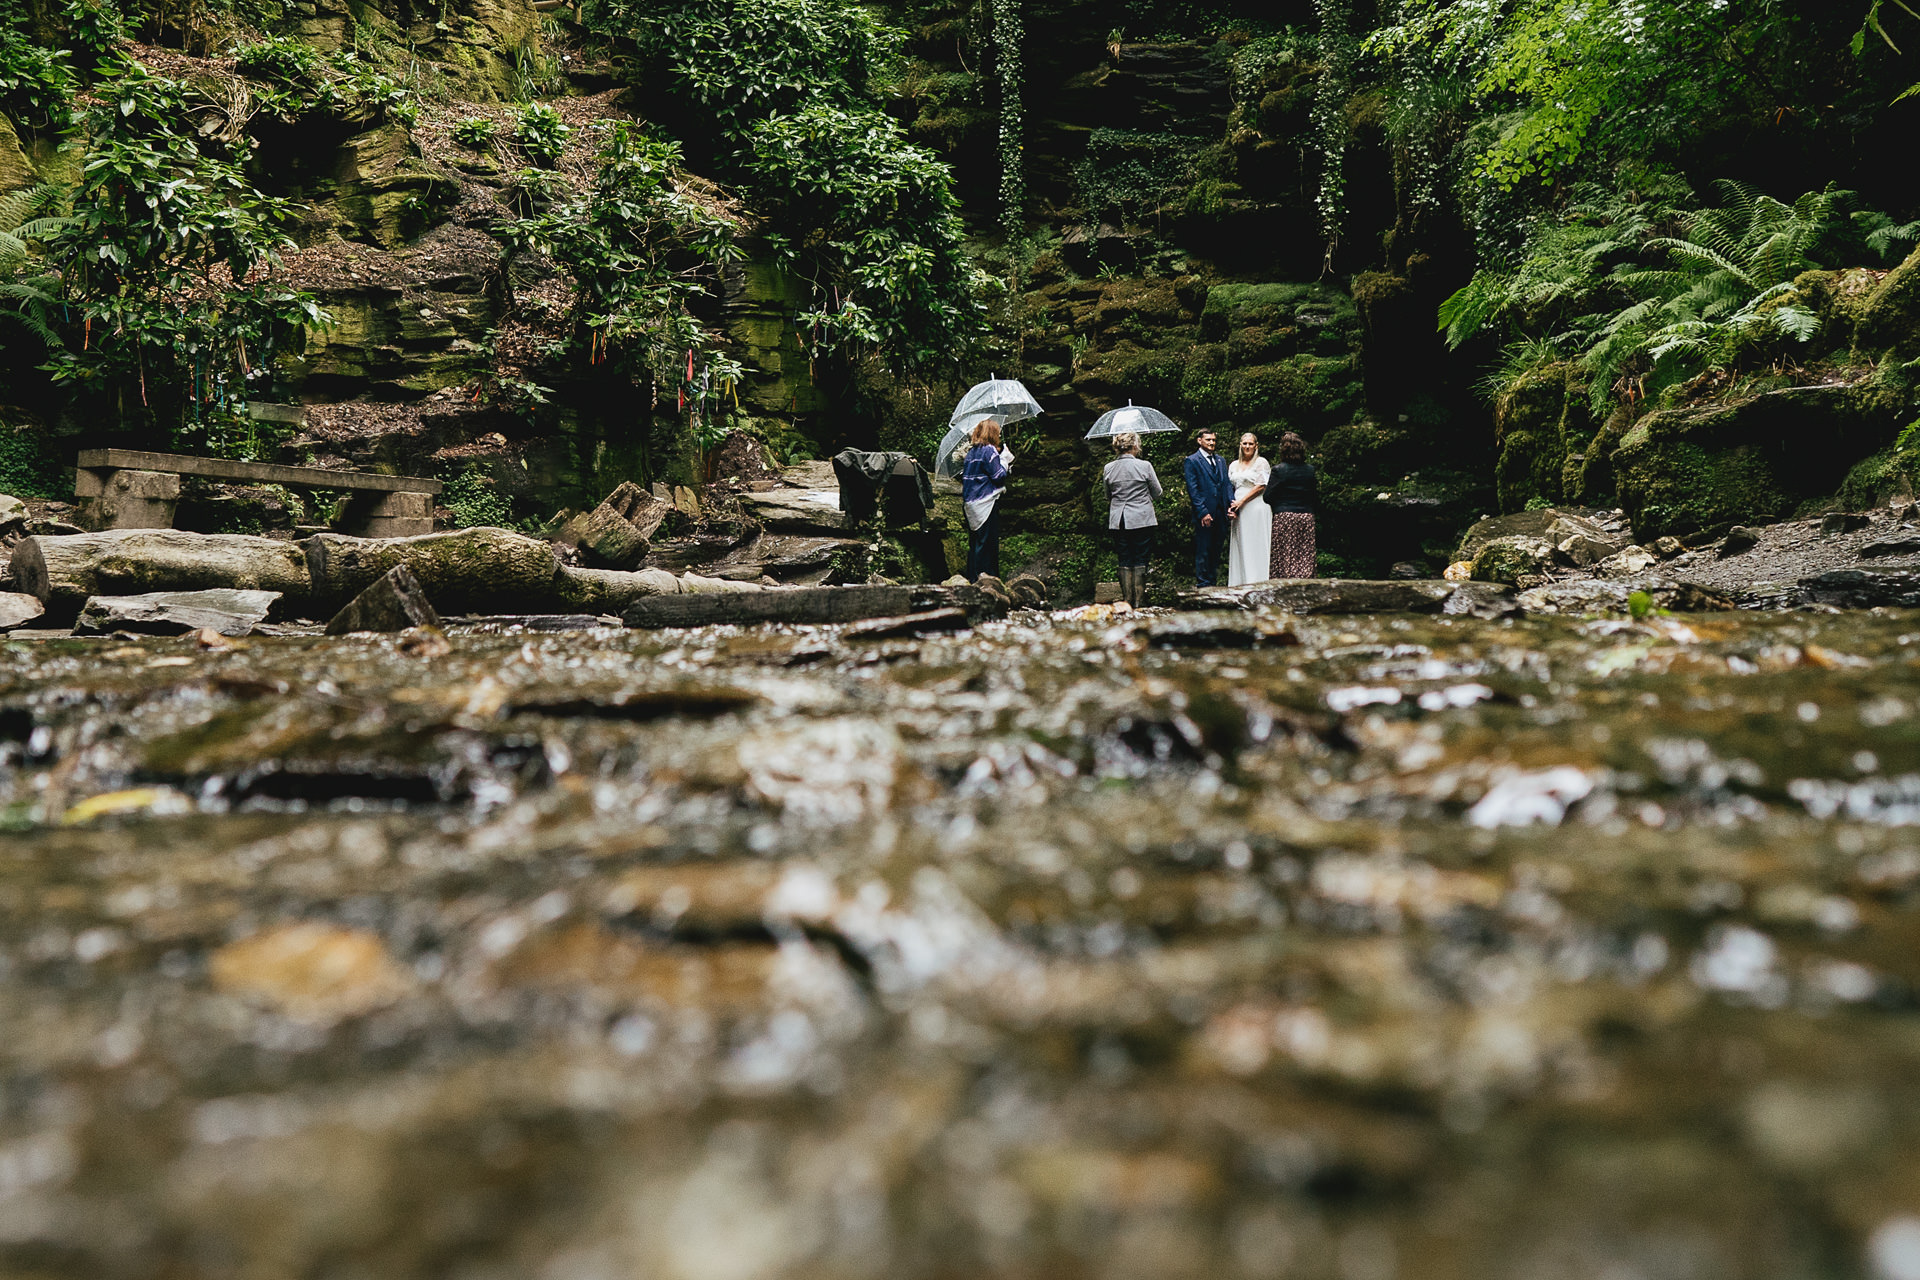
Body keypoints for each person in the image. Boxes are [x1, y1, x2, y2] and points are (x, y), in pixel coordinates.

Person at [1102, 431, 1163, 607]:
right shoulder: (1145, 466)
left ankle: (1127, 600)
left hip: (1119, 520)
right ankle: (1139, 601)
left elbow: (1108, 495)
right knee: (1141, 558)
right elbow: (1158, 492)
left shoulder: (1108, 468)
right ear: (1135, 445)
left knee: (1124, 558)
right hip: (1142, 518)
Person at [961, 417, 1011, 580]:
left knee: (975, 543)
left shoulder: (971, 453)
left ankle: (973, 578)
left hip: (971, 503)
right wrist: (1004, 459)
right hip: (985, 502)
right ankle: (987, 579)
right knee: (987, 544)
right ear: (992, 433)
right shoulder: (988, 450)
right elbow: (998, 476)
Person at [1183, 426, 1233, 587]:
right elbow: (1193, 489)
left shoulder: (1220, 460)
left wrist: (1231, 506)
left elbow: (1226, 485)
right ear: (1200, 441)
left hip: (1221, 512)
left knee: (1216, 550)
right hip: (1205, 513)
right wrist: (1203, 512)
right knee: (1203, 549)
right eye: (1208, 440)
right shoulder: (1192, 461)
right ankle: (1203, 584)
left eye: (1213, 440)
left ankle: (1213, 582)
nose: (1212, 443)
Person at [1267, 431, 1318, 578]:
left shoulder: (1279, 470)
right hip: (1306, 516)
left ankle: (1283, 584)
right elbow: (1314, 496)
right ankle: (1306, 585)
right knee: (1305, 555)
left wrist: (1280, 504)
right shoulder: (1310, 470)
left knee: (1284, 555)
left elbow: (1267, 496)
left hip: (1285, 516)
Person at [1226, 432, 1271, 586]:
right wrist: (1231, 507)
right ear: (1240, 445)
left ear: (1256, 446)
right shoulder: (1233, 465)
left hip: (1256, 507)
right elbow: (1229, 487)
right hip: (1238, 510)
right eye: (1244, 443)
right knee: (1241, 544)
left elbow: (1262, 486)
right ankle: (1240, 582)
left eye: (1250, 444)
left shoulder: (1262, 463)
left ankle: (1259, 581)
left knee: (1256, 544)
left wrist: (1242, 502)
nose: (1247, 446)